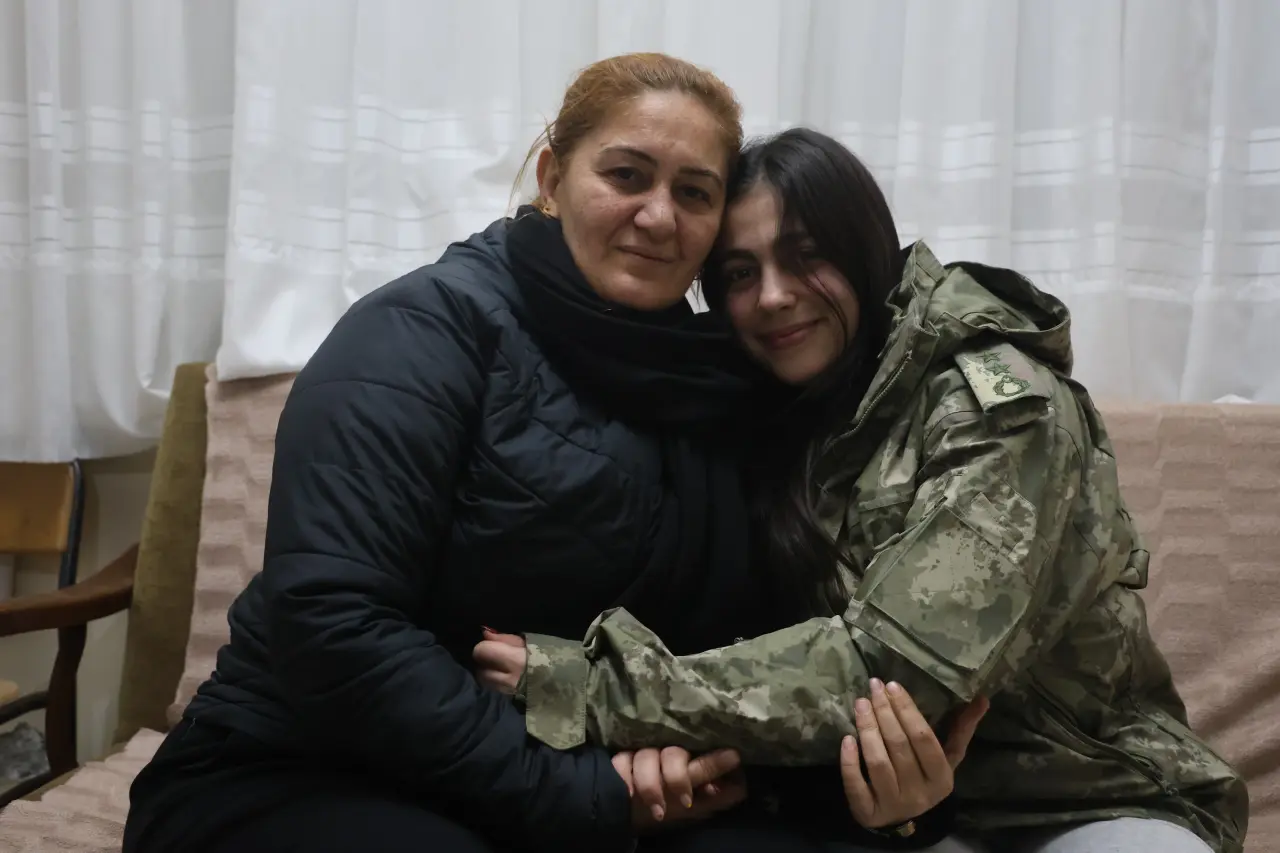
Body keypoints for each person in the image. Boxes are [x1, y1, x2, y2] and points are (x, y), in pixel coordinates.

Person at [121, 55, 976, 853]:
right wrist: (587, 791)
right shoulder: (422, 331)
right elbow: (332, 624)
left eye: (694, 192)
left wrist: (887, 800)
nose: (658, 215)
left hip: (581, 790)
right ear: (551, 178)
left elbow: (757, 655)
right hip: (306, 768)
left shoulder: (728, 383)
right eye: (626, 175)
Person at [473, 128, 1250, 853]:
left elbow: (890, 669)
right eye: (740, 273)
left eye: (805, 257)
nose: (773, 296)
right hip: (880, 816)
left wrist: (599, 689)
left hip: (1092, 802)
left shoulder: (1002, 408)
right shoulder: (768, 408)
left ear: (867, 251)